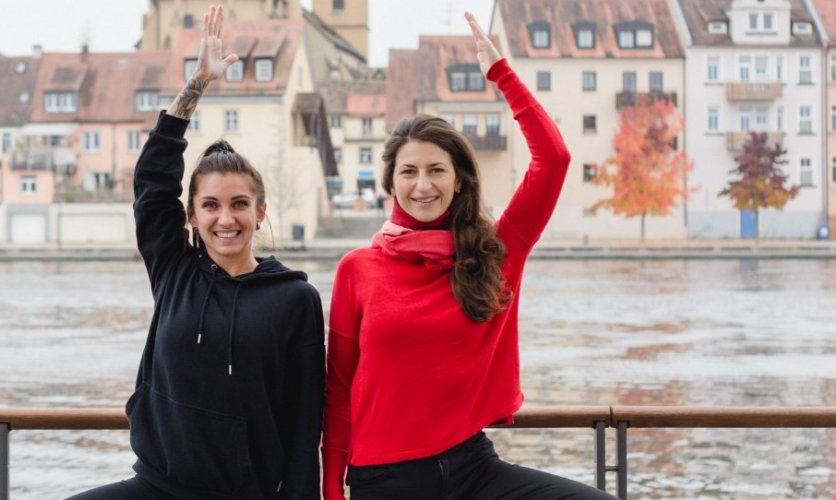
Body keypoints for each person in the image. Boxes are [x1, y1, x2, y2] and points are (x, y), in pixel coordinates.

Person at [320, 13, 615, 500]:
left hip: (472, 467)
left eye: (437, 170)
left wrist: (502, 73)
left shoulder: (494, 251)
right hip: (386, 479)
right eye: (409, 171)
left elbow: (554, 159)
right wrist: (331, 489)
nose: (423, 185)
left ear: (458, 180)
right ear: (391, 181)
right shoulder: (358, 269)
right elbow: (338, 389)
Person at [67, 5, 324, 500]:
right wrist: (197, 84)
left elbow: (303, 422)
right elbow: (151, 180)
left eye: (239, 204)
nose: (225, 219)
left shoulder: (295, 299)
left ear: (260, 211)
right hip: (158, 485)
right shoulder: (174, 271)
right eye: (210, 205)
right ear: (191, 215)